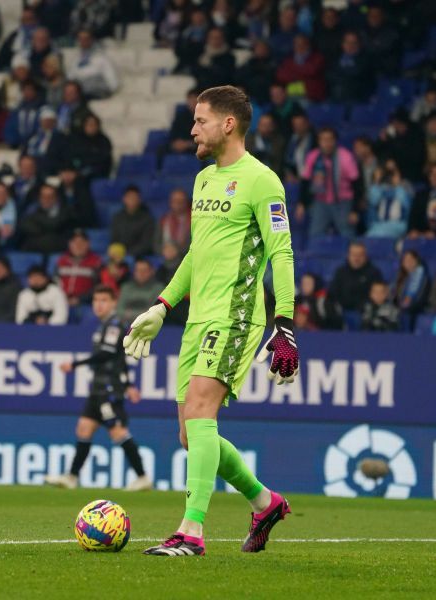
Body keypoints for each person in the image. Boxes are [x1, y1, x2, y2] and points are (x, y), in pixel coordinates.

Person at [121, 86, 294, 557]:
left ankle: (191, 532)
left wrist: (285, 322)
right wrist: (162, 305)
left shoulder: (262, 181)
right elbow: (197, 254)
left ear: (228, 124)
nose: (193, 130)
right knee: (191, 434)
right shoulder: (203, 180)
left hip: (236, 316)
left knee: (200, 412)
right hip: (198, 318)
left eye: (200, 121)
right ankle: (265, 503)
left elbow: (281, 253)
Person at [44, 285, 152, 491]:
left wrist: (75, 364)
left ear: (113, 303)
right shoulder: (102, 325)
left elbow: (107, 353)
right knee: (84, 427)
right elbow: (120, 358)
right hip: (98, 388)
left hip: (109, 390)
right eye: (95, 300)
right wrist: (129, 384)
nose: (98, 305)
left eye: (104, 300)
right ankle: (71, 477)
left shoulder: (115, 325)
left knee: (118, 432)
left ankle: (143, 477)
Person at [296, 127, 359, 238]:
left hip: (343, 203)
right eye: (323, 140)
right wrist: (302, 203)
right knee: (315, 234)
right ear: (319, 141)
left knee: (348, 235)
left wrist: (355, 210)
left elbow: (357, 184)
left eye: (330, 139)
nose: (327, 143)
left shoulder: (345, 157)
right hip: (321, 201)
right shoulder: (313, 156)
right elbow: (305, 181)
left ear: (335, 141)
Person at [18, 183, 75, 254]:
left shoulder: (65, 211)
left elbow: (54, 224)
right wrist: (48, 227)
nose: (46, 199)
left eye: (50, 196)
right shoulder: (33, 209)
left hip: (57, 252)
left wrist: (38, 222)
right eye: (43, 196)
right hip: (34, 251)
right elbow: (24, 224)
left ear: (56, 197)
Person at [329, 241, 383, 311]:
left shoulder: (374, 273)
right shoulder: (340, 271)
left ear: (365, 256)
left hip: (365, 312)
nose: (356, 258)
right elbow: (333, 292)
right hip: (341, 311)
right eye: (353, 255)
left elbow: (378, 295)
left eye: (360, 255)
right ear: (348, 255)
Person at [65, 29, 119, 99]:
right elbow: (70, 78)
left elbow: (113, 82)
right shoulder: (76, 61)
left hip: (96, 93)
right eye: (80, 39)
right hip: (79, 94)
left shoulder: (102, 59)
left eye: (86, 39)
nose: (83, 41)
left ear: (91, 40)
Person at [365, 159, 412, 238]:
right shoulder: (380, 188)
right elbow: (373, 201)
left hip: (398, 225)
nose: (390, 175)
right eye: (388, 172)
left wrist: (398, 186)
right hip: (379, 225)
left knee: (374, 235)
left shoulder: (405, 187)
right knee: (374, 233)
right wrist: (378, 181)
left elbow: (407, 206)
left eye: (393, 171)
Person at [56, 229, 102, 306]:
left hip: (85, 304)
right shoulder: (61, 261)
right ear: (70, 244)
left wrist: (80, 299)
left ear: (88, 244)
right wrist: (61, 298)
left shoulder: (96, 262)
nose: (78, 245)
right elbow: (54, 282)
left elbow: (97, 287)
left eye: (81, 242)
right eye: (74, 242)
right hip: (60, 302)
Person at [110, 185, 156, 257]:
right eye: (129, 197)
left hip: (140, 256)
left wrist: (128, 254)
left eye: (134, 197)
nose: (132, 200)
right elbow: (114, 240)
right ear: (124, 199)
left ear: (140, 200)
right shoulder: (117, 218)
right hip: (120, 255)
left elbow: (147, 244)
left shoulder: (147, 219)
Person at [116, 258, 161, 322]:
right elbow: (119, 311)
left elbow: (153, 313)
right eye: (138, 270)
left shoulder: (158, 288)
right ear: (134, 272)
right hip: (125, 324)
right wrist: (143, 313)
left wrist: (129, 314)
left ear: (151, 271)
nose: (141, 273)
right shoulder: (126, 287)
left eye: (144, 270)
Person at [393, 250, 430, 323]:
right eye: (405, 260)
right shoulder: (401, 276)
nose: (408, 262)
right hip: (400, 309)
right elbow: (394, 294)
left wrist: (405, 307)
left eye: (410, 259)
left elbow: (420, 299)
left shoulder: (423, 277)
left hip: (413, 312)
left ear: (416, 261)